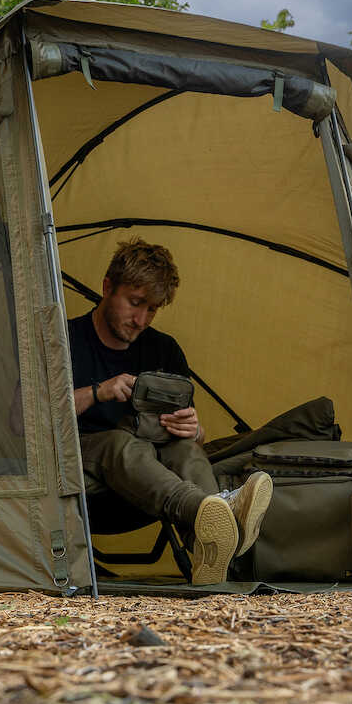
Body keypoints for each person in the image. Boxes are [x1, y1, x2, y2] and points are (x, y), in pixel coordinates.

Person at [69, 238, 272, 585]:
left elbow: (195, 433)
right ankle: (215, 511)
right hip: (84, 469)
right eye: (135, 303)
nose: (141, 319)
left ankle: (208, 550)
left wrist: (194, 429)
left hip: (148, 481)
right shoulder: (66, 339)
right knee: (121, 444)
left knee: (187, 449)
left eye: (152, 309)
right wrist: (98, 392)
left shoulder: (163, 349)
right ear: (107, 288)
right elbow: (20, 421)